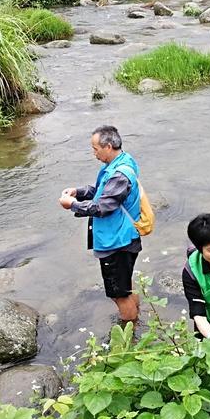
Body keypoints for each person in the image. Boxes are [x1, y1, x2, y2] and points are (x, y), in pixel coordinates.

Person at [60, 125, 143, 324]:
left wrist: (73, 205)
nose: (93, 153)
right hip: (123, 237)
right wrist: (78, 192)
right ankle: (138, 317)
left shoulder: (119, 174)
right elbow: (101, 191)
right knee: (124, 286)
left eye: (95, 148)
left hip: (117, 241)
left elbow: (102, 207)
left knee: (119, 294)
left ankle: (129, 336)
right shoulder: (120, 162)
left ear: (107, 146)